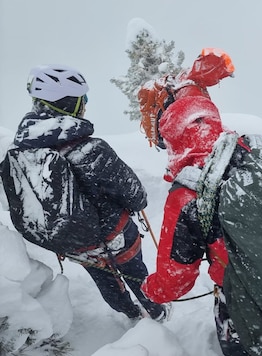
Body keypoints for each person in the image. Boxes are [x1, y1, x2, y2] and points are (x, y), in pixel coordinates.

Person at [140, 87, 262, 355]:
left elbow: (177, 279)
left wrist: (151, 290)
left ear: (173, 140)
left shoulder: (187, 192)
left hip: (245, 298)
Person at [1, 65, 168, 322]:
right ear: (68, 103)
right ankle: (156, 312)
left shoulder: (20, 151)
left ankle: (131, 313)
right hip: (115, 236)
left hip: (73, 242)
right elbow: (135, 195)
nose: (85, 105)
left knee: (106, 283)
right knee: (137, 274)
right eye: (83, 99)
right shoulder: (90, 150)